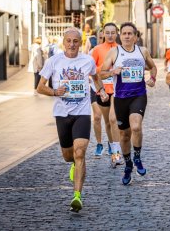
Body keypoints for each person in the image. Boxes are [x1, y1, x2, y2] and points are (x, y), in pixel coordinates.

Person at [37, 27, 109, 212]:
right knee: (68, 156)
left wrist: (101, 92)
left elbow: (95, 77)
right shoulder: (54, 61)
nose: (71, 44)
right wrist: (54, 91)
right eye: (68, 41)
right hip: (62, 114)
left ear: (80, 42)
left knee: (80, 153)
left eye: (75, 41)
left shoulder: (87, 60)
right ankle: (73, 165)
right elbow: (40, 87)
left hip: (82, 112)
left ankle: (77, 196)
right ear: (63, 42)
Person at [100, 22, 157, 184]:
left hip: (138, 95)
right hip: (120, 99)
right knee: (124, 135)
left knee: (136, 126)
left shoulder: (142, 51)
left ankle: (137, 158)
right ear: (121, 36)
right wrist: (112, 72)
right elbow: (101, 74)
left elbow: (153, 68)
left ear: (135, 37)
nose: (126, 36)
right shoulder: (114, 52)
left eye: (129, 33)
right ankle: (128, 164)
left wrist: (152, 79)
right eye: (123, 33)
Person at [91, 23, 123, 165]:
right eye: (107, 32)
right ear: (103, 33)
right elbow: (93, 73)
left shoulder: (120, 49)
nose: (110, 35)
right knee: (107, 122)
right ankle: (111, 146)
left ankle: (116, 152)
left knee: (113, 120)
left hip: (117, 91)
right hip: (103, 91)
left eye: (113, 32)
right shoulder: (97, 50)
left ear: (117, 34)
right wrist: (100, 90)